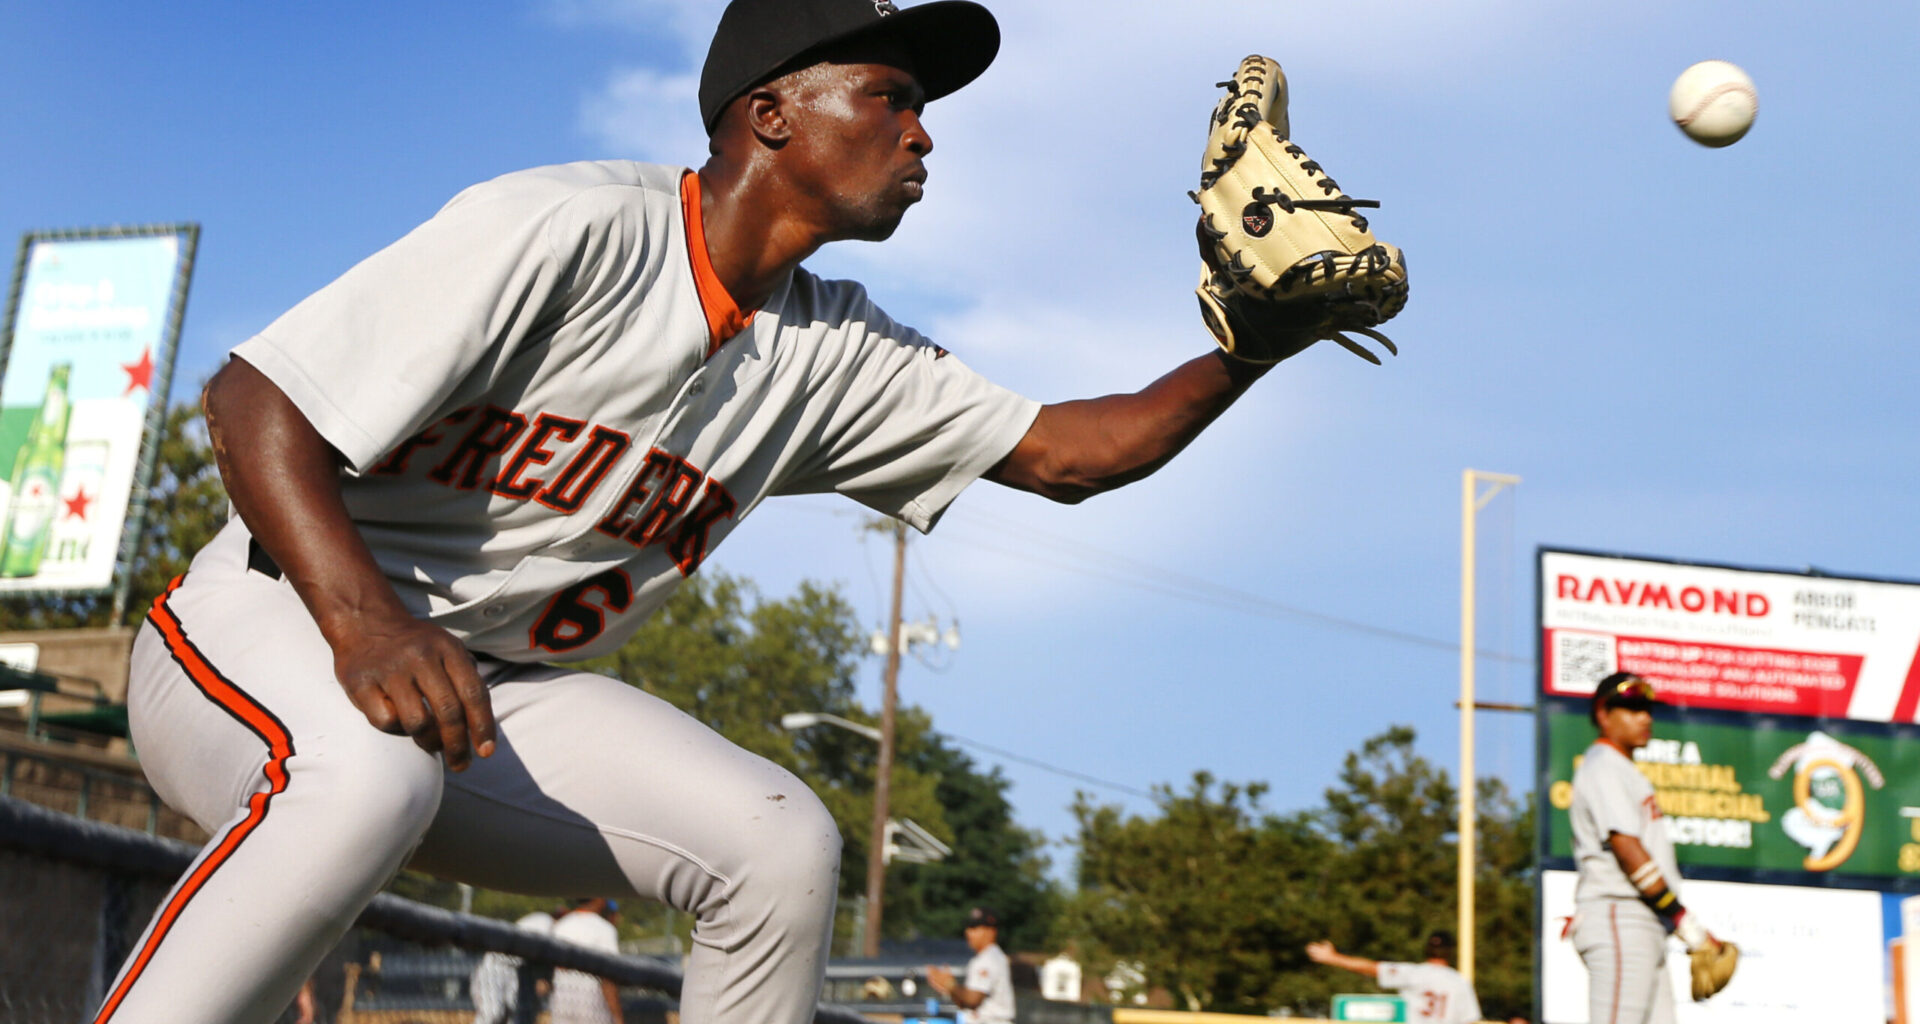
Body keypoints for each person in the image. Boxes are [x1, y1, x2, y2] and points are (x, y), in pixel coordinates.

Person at [89, 0, 1345, 1020]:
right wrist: (365, 623)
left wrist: (1250, 348)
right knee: (365, 778)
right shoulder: (575, 225)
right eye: (891, 96)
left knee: (777, 842)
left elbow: (1071, 454)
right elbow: (254, 399)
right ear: (772, 113)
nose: (924, 136)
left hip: (488, 703)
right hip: (270, 625)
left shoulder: (836, 350)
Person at [1568, 672, 1725, 1024]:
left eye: (1647, 710)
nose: (1644, 718)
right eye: (1632, 709)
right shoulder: (1603, 765)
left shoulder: (1623, 768)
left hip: (1644, 923)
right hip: (1620, 916)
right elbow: (1626, 847)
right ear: (1603, 714)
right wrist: (1685, 922)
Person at [1304, 932, 1481, 1024]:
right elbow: (1469, 1020)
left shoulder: (1413, 973)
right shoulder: (1459, 982)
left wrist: (1333, 958)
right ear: (1450, 951)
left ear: (1427, 949)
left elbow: (1370, 968)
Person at [470, 905, 561, 1024]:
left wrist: (544, 977)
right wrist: (545, 977)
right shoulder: (543, 921)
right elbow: (541, 953)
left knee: (517, 1017)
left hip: (517, 970)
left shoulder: (548, 927)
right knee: (492, 1014)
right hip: (495, 965)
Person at [926, 907, 1015, 1024]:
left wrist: (950, 984)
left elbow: (973, 1000)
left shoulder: (990, 958)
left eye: (974, 928)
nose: (968, 932)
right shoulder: (983, 958)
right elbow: (965, 1004)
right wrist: (950, 990)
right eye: (968, 927)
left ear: (991, 931)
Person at [550, 899, 623, 1024]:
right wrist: (618, 1017)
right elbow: (608, 978)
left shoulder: (561, 925)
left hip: (560, 1006)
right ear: (598, 899)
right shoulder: (604, 929)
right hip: (593, 1009)